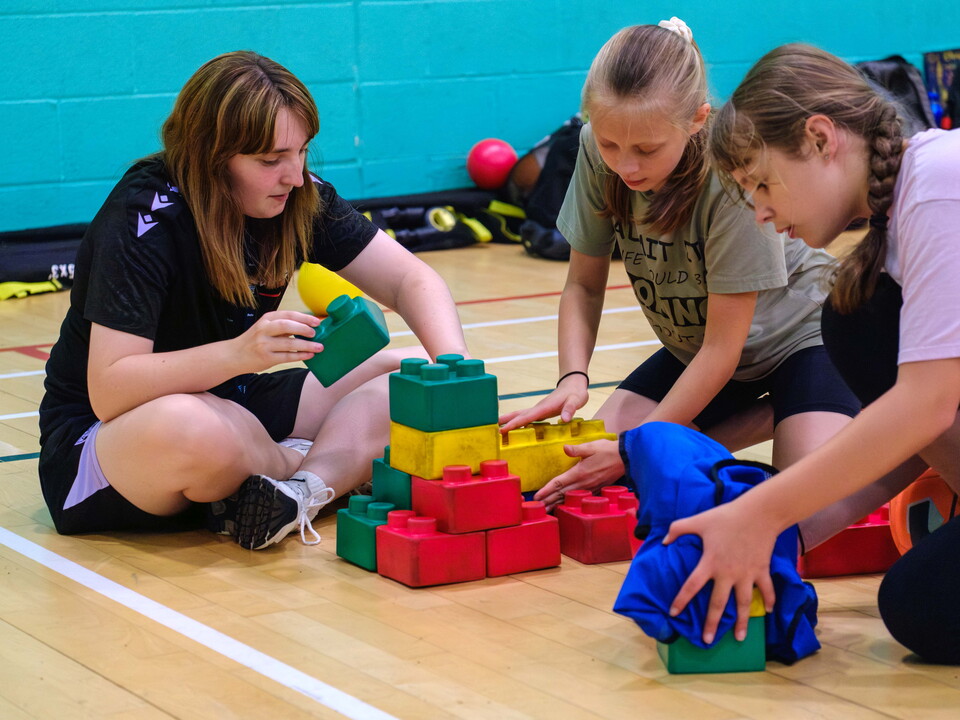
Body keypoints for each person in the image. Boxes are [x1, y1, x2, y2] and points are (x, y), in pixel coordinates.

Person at [37, 51, 469, 551]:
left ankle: (298, 491)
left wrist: (455, 370)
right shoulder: (142, 217)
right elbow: (111, 390)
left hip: (230, 402)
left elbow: (410, 279)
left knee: (412, 371)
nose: (296, 175)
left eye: (303, 151)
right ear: (210, 155)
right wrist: (241, 353)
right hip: (110, 438)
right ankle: (311, 465)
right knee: (190, 426)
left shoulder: (300, 197)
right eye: (271, 161)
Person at [499, 20, 879, 537]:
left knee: (808, 516)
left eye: (647, 150)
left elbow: (724, 351)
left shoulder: (732, 179)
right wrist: (572, 378)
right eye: (610, 144)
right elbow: (584, 284)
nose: (626, 166)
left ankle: (786, 408)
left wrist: (637, 447)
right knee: (585, 465)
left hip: (802, 341)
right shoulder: (597, 150)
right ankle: (760, 416)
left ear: (697, 120)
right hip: (699, 352)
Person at [668, 42, 960, 664]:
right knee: (854, 319)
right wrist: (794, 529)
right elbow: (912, 440)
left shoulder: (939, 184)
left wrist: (758, 513)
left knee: (920, 608)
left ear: (822, 138)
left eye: (763, 183)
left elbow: (927, 408)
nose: (762, 213)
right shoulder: (900, 226)